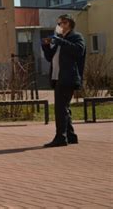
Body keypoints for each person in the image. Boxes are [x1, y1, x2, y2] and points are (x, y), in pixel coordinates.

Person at [41, 14, 86, 148]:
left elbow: (79, 51)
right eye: (59, 23)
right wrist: (46, 45)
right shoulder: (60, 40)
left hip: (68, 78)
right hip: (57, 77)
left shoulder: (76, 37)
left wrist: (60, 41)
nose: (61, 25)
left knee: (60, 109)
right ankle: (71, 136)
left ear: (70, 24)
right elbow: (50, 58)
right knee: (64, 108)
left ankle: (61, 138)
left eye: (64, 23)